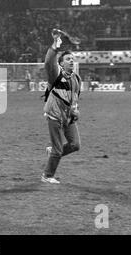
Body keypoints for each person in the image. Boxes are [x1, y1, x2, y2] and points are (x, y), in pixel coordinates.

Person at [41, 29, 82, 184]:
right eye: (68, 59)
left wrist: (75, 109)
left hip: (68, 117)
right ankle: (47, 175)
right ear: (61, 63)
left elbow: (75, 99)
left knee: (75, 145)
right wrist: (55, 45)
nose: (72, 61)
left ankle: (53, 152)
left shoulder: (77, 78)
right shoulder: (56, 75)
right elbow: (48, 62)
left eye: (73, 59)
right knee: (58, 149)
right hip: (54, 115)